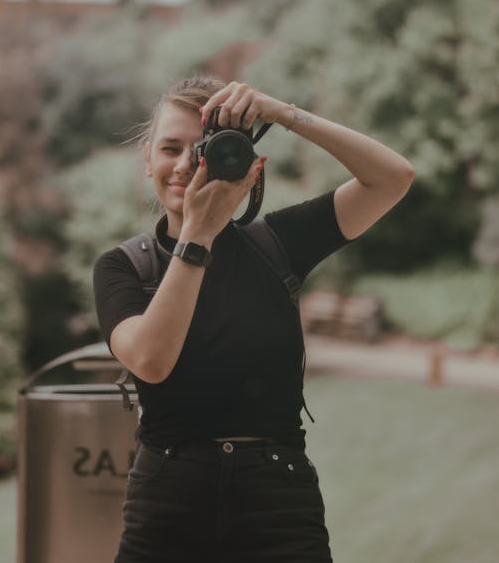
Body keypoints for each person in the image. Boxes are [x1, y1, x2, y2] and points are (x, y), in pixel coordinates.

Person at [93, 76, 415, 563]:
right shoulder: (124, 268)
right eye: (170, 148)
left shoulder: (277, 245)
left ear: (249, 165)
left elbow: (393, 177)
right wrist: (197, 236)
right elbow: (152, 361)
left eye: (201, 150)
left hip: (279, 504)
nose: (184, 166)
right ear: (147, 160)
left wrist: (284, 113)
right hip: (167, 502)